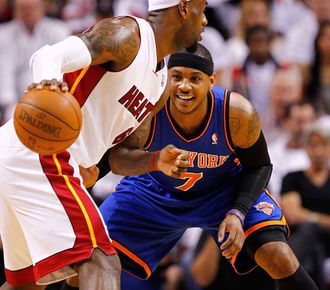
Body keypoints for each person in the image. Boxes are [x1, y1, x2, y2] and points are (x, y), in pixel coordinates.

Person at [0, 0, 207, 290]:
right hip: (42, 151)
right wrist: (48, 87)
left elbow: (121, 156)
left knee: (27, 284)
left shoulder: (162, 84)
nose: (205, 20)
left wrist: (154, 161)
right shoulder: (127, 34)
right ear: (183, 8)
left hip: (24, 157)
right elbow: (48, 56)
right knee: (100, 258)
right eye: (201, 8)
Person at [99, 43, 319, 290]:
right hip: (154, 189)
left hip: (222, 190)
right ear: (166, 78)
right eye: (177, 77)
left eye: (195, 78)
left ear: (211, 81)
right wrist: (154, 161)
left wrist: (238, 212)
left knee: (279, 256)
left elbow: (260, 166)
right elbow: (116, 159)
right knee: (90, 256)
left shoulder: (237, 112)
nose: (184, 86)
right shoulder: (149, 107)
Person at [281, 116, 330, 289]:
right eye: (313, 145)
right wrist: (321, 220)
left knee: (309, 233)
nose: (318, 151)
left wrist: (309, 217)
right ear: (306, 148)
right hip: (303, 237)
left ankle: (285, 276)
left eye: (322, 145)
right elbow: (292, 215)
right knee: (311, 240)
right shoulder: (293, 178)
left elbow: (300, 214)